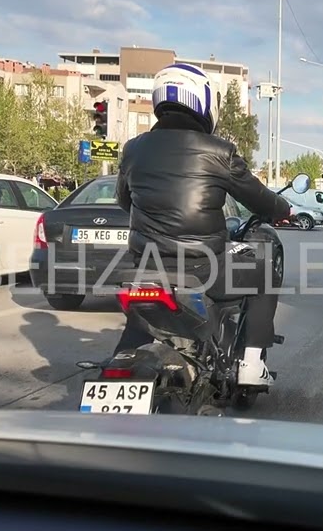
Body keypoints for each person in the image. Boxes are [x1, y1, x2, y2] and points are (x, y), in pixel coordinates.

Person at [115, 62, 292, 386]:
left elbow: (124, 201)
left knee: (135, 327)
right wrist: (283, 208)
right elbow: (260, 199)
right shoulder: (220, 152)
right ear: (204, 101)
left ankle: (120, 370)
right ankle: (252, 364)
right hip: (203, 268)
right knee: (265, 273)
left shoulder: (133, 149)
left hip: (145, 267)